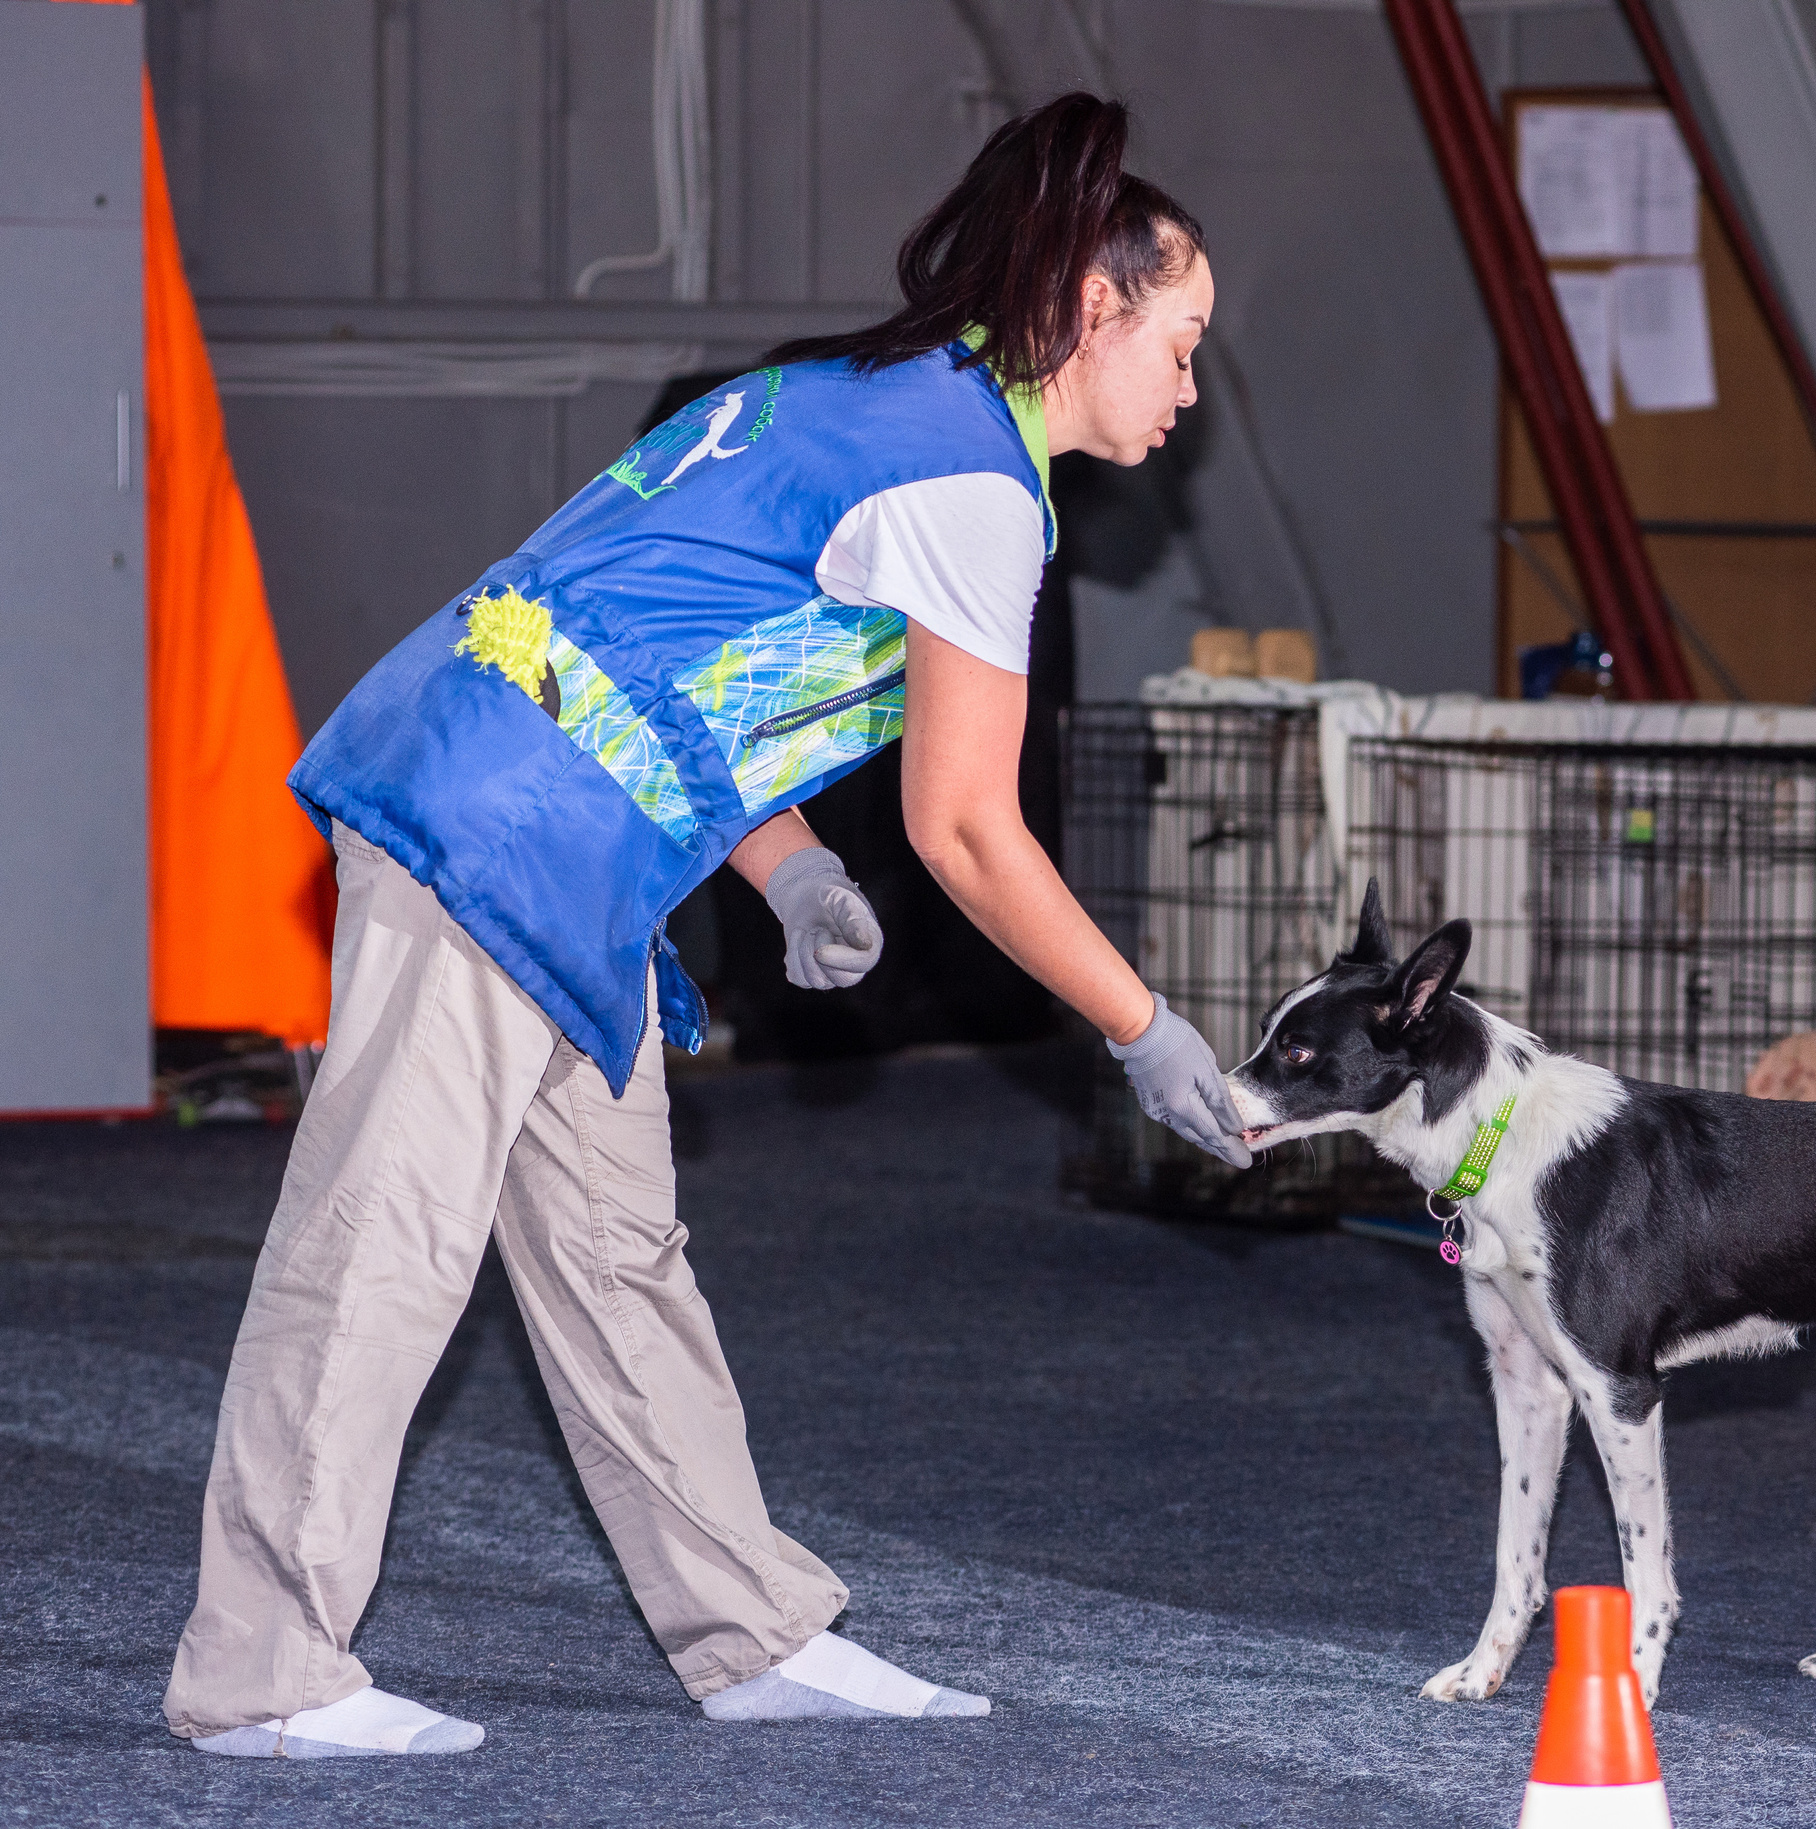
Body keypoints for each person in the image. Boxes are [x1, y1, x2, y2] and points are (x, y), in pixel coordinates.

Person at [164, 92, 1248, 1758]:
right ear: (1092, 308)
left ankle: (751, 1633)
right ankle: (260, 1669)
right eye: (1180, 344)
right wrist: (1139, 1025)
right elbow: (968, 827)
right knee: (382, 1235)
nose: (1188, 388)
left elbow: (666, 644)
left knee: (615, 1251)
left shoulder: (856, 397)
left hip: (551, 833)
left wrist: (788, 868)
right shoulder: (969, 482)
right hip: (499, 826)